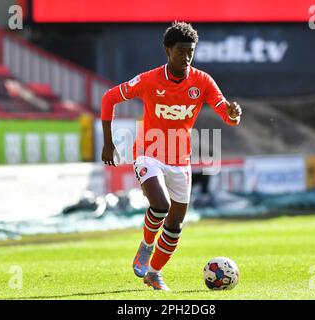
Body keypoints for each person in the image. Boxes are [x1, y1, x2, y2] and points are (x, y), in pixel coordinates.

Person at [101, 21, 242, 291]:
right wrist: (109, 144)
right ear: (168, 50)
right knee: (160, 205)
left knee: (175, 225)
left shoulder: (202, 81)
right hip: (148, 152)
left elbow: (226, 113)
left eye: (191, 51)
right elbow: (109, 98)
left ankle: (154, 273)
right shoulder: (149, 80)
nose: (187, 57)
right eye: (181, 51)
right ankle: (145, 245)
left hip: (180, 159)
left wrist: (234, 114)